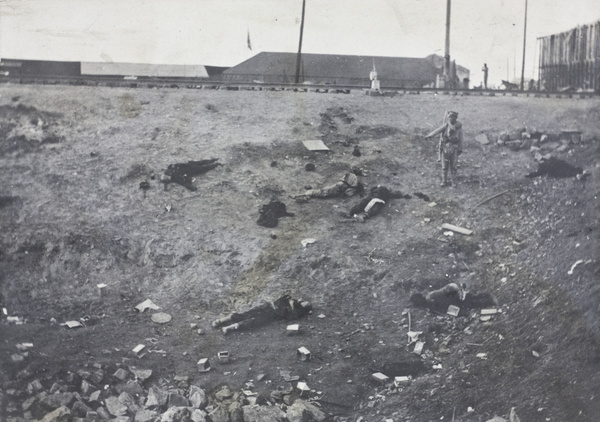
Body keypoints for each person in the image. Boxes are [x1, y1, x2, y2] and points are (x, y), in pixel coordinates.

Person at [212, 294, 312, 334]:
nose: (303, 302)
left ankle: (228, 328)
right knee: (247, 314)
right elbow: (280, 298)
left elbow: (290, 317)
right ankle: (221, 320)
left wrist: (292, 306)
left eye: (305, 304)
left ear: (305, 308)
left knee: (251, 322)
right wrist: (291, 302)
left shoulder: (298, 312)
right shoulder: (292, 299)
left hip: (271, 315)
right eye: (304, 301)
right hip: (268, 307)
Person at [425, 111, 463, 187]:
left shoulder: (459, 127)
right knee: (444, 166)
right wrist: (430, 136)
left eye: (452, 117)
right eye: (450, 117)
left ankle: (453, 182)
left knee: (454, 166)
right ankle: (444, 181)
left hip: (454, 148)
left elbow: (461, 139)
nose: (451, 118)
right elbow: (437, 131)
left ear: (455, 118)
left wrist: (460, 148)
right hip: (445, 147)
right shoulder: (446, 125)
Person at [292, 172, 363, 201]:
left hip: (337, 185)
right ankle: (299, 195)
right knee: (320, 192)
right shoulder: (353, 188)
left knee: (320, 191)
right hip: (336, 189)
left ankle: (301, 195)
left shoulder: (352, 177)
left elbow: (344, 177)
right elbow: (348, 194)